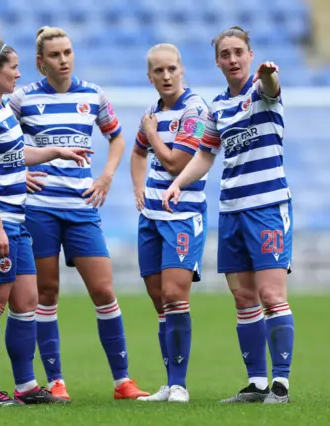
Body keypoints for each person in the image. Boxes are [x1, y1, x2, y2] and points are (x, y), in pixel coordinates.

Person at [6, 26, 150, 402]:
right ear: (40, 62)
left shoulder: (93, 94)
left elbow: (116, 136)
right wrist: (20, 174)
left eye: (67, 52)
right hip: (39, 209)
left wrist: (105, 176)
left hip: (82, 206)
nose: (64, 59)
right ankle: (56, 381)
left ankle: (123, 382)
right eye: (55, 55)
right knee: (46, 292)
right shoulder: (21, 99)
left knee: (103, 290)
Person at [0, 22, 92, 406]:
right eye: (13, 67)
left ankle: (27, 386)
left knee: (27, 300)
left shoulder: (0, 109)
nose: (19, 73)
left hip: (15, 223)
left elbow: (13, 156)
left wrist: (54, 152)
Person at [162, 27, 294, 404]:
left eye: (239, 52)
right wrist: (179, 183)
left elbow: (272, 86)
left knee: (271, 294)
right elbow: (205, 155)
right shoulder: (217, 107)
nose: (233, 59)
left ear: (250, 55)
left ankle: (280, 384)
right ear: (217, 61)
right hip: (232, 212)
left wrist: (268, 72)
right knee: (243, 299)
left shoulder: (262, 93)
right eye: (225, 54)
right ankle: (255, 383)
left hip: (267, 208)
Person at [129, 44, 209, 403]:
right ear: (149, 76)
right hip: (152, 218)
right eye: (158, 71)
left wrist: (153, 135)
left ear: (182, 69)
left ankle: (180, 384)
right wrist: (138, 189)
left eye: (171, 69)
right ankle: (169, 382)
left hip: (183, 216)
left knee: (176, 296)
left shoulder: (194, 110)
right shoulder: (151, 112)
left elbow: (178, 162)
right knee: (159, 300)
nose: (166, 76)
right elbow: (137, 152)